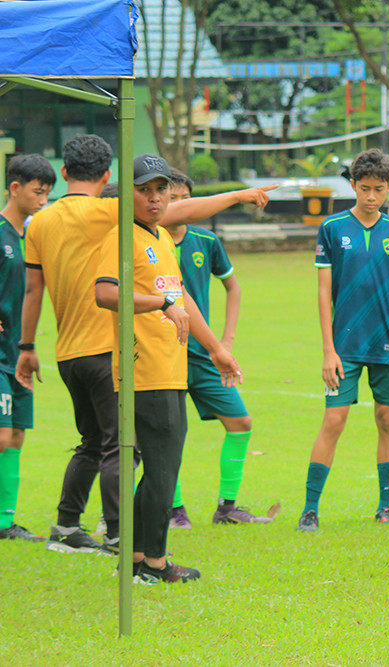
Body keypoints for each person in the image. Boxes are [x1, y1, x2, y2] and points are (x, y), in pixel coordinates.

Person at [16, 134, 273, 554]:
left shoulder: (40, 221)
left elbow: (32, 288)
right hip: (113, 347)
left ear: (64, 173)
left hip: (68, 351)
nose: (156, 200)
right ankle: (123, 535)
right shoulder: (112, 215)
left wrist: (28, 345)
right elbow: (178, 214)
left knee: (93, 442)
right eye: (147, 191)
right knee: (125, 449)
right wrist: (237, 195)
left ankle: (67, 526)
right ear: (107, 178)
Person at [94, 153, 243, 583]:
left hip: (171, 368)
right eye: (145, 190)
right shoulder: (122, 237)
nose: (155, 198)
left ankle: (140, 558)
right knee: (162, 471)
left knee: (162, 469)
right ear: (130, 193)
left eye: (161, 190)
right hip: (145, 371)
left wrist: (215, 347)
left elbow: (182, 298)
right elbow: (106, 294)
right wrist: (161, 303)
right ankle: (152, 564)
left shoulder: (158, 238)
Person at [296, 149, 389, 531]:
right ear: (352, 184)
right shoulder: (332, 229)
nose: (370, 197)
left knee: (387, 419)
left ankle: (385, 507)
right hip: (344, 346)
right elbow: (321, 291)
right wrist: (328, 350)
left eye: (378, 190)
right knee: (334, 420)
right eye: (364, 189)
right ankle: (310, 509)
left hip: (387, 344)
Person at [165, 169, 271, 528]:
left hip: (204, 353)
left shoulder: (205, 241)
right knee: (167, 431)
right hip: (162, 354)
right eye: (172, 198)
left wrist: (225, 341)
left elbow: (233, 287)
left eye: (185, 199)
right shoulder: (149, 241)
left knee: (240, 422)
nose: (179, 206)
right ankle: (174, 509)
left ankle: (227, 508)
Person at [0, 155, 55, 542]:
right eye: (38, 191)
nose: (43, 199)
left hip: (18, 352)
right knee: (1, 436)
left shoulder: (31, 238)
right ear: (14, 188)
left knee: (16, 435)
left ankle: (5, 522)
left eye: (48, 192)